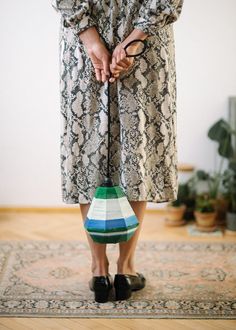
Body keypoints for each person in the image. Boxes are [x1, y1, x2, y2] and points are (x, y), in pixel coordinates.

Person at [51, 0, 184, 302]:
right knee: (138, 154)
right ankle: (124, 269)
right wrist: (134, 40)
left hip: (86, 50)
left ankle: (100, 270)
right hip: (144, 50)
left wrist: (91, 38)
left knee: (88, 152)